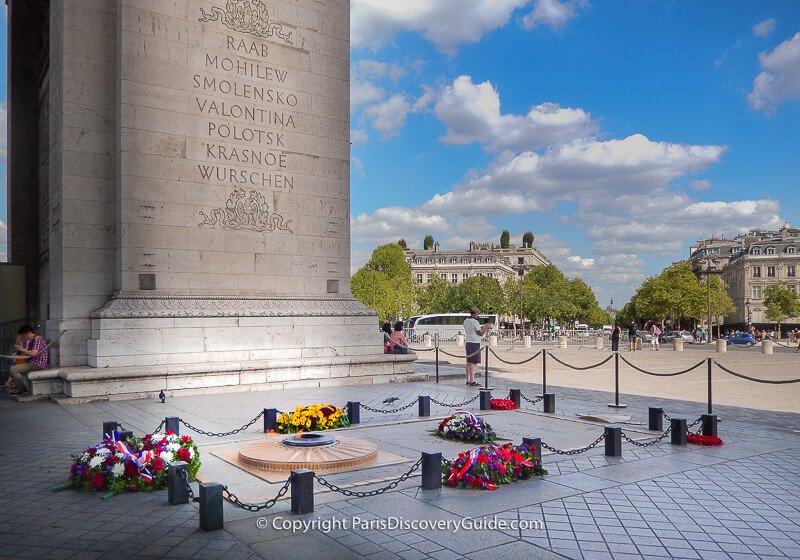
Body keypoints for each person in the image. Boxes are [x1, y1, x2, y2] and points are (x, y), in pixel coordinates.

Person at [3, 325, 49, 396]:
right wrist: (21, 348)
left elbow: (34, 354)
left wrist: (23, 350)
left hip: (36, 364)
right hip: (31, 362)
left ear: (29, 333)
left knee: (13, 369)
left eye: (24, 336)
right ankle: (14, 385)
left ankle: (23, 390)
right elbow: (27, 352)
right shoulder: (32, 340)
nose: (24, 338)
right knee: (11, 366)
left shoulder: (37, 340)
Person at [463, 307, 491, 386]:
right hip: (474, 343)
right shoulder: (475, 322)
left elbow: (473, 330)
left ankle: (468, 380)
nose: (478, 315)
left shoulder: (466, 321)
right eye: (478, 313)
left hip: (468, 342)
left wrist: (482, 328)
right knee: (473, 362)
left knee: (468, 362)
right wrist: (486, 327)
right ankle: (472, 380)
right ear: (475, 313)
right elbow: (480, 333)